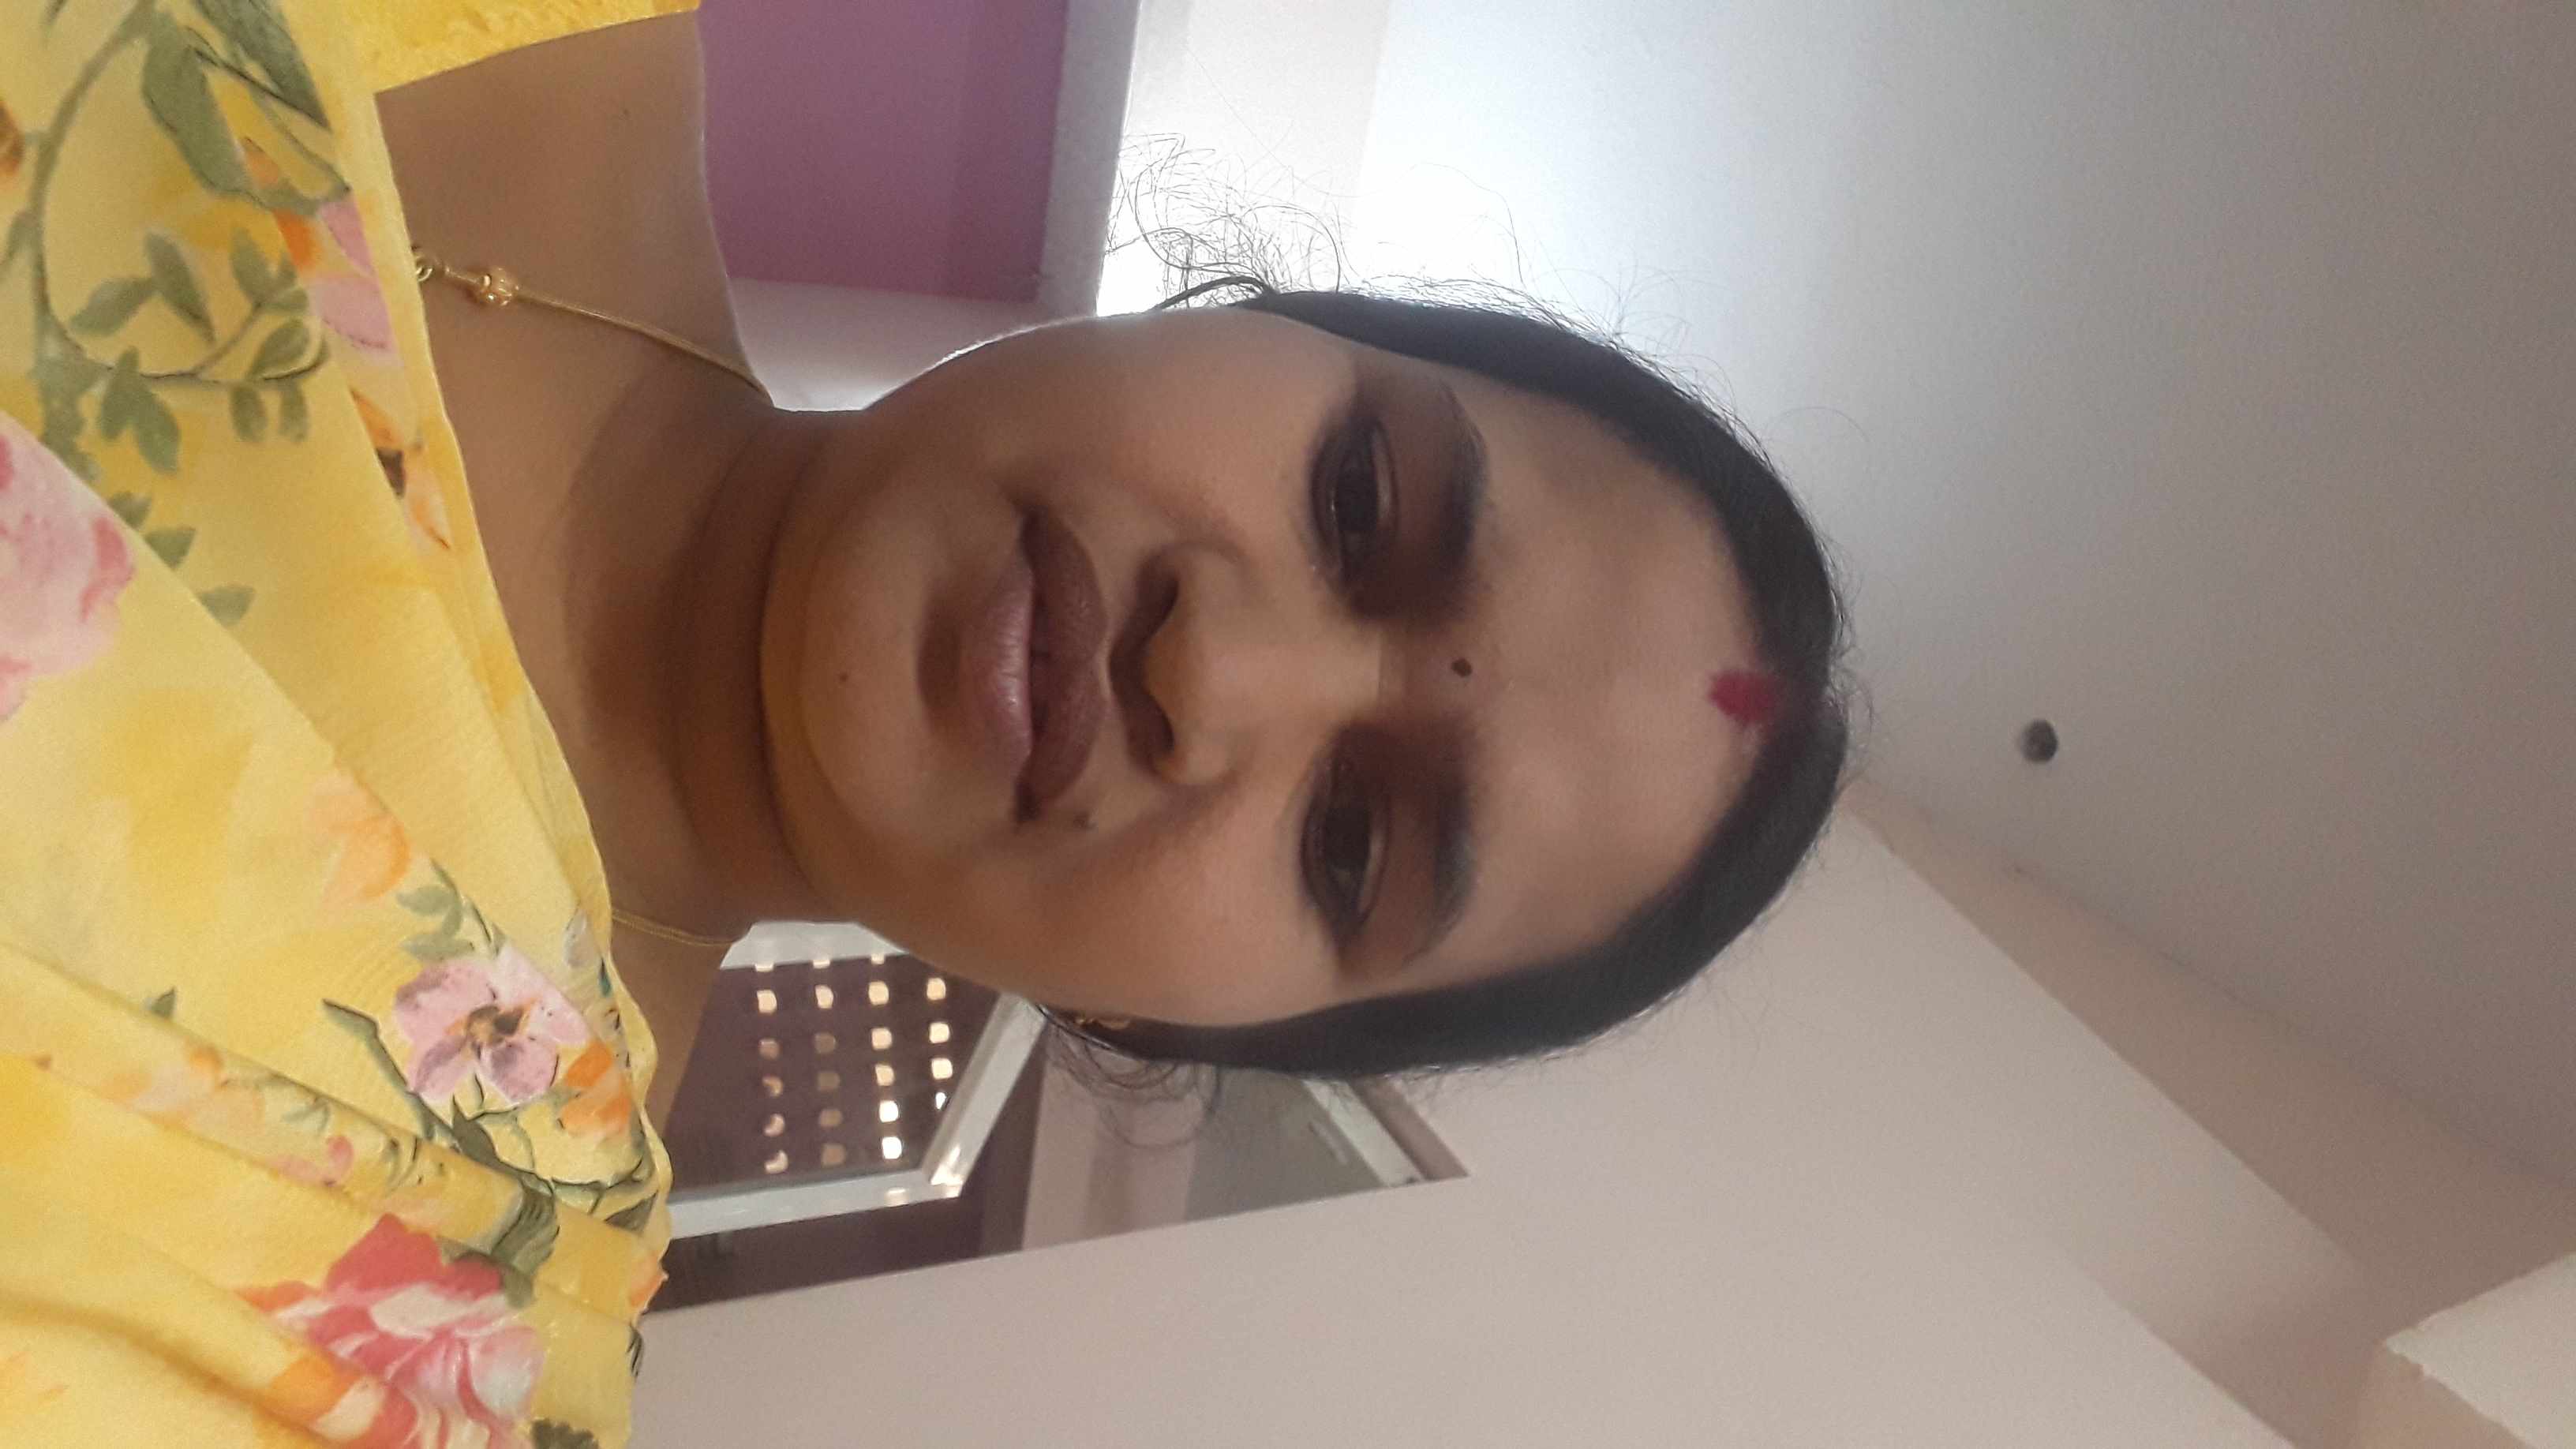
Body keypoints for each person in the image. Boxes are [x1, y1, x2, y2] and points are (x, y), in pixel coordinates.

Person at [0, 0, 1847, 1443]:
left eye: (1349, 845)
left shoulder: (420, 1337)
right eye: (1359, 499)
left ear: (1190, 1026)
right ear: (1254, 316)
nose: (1209, 673)